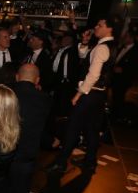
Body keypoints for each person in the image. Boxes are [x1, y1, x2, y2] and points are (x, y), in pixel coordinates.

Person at [47, 18, 116, 174]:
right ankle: (90, 162)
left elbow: (93, 75)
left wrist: (78, 94)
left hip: (89, 94)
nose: (96, 27)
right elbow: (84, 58)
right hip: (98, 94)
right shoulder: (109, 46)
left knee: (72, 128)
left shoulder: (102, 47)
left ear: (110, 29)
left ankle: (60, 163)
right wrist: (84, 43)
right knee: (92, 129)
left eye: (100, 25)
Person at [0, 64, 52, 193]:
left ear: (17, 76)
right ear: (37, 80)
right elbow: (43, 128)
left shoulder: (4, 93)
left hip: (1, 155)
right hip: (25, 160)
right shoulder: (44, 99)